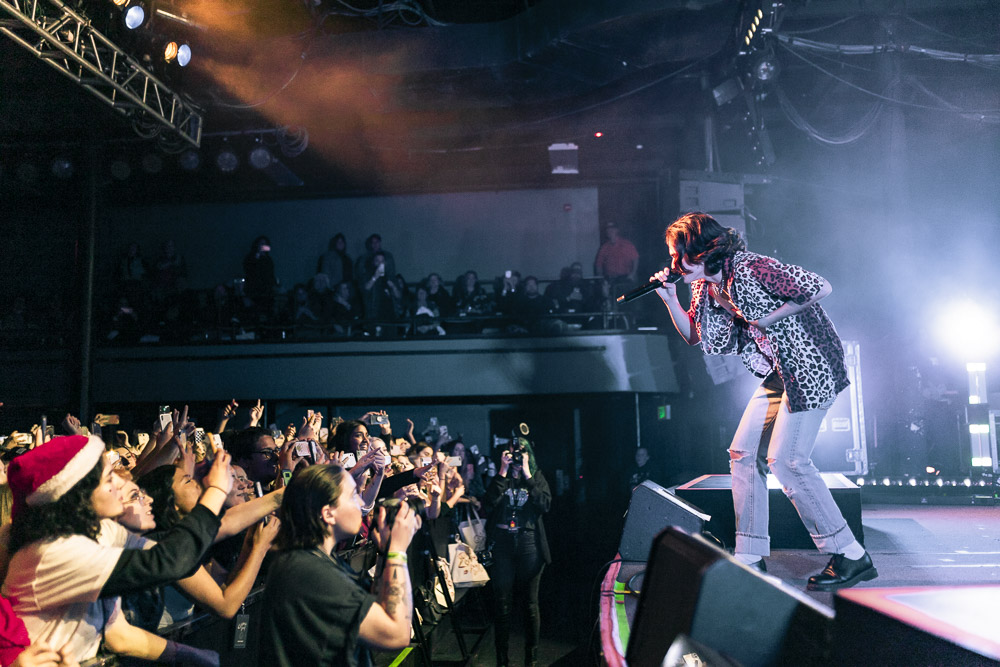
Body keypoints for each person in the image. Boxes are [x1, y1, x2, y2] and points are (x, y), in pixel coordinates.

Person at [650, 211, 876, 590]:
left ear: (706, 250)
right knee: (742, 453)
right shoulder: (706, 285)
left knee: (787, 460)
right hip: (779, 371)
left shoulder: (752, 267)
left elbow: (819, 286)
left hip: (809, 364)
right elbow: (695, 336)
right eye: (673, 257)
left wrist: (771, 318)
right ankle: (750, 556)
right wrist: (670, 299)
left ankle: (851, 554)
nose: (676, 264)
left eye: (681, 255)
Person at [259, 464, 418, 666]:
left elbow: (378, 606)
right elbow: (396, 635)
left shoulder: (316, 560)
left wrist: (386, 553)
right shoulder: (309, 573)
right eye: (353, 495)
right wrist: (398, 552)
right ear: (328, 513)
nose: (361, 502)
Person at [483, 438, 551, 667]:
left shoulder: (536, 475)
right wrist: (502, 472)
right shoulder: (500, 477)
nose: (514, 457)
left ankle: (531, 659)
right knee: (502, 604)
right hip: (502, 544)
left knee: (530, 605)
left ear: (527, 454)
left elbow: (544, 504)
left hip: (528, 543)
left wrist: (528, 475)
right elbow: (488, 503)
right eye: (511, 454)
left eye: (519, 453)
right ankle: (502, 660)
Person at [594, 223, 639, 288]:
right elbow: (598, 264)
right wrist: (601, 278)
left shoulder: (626, 244)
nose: (610, 231)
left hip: (625, 278)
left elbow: (635, 258)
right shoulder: (604, 247)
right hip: (610, 279)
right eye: (608, 230)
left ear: (617, 230)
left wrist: (633, 273)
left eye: (612, 229)